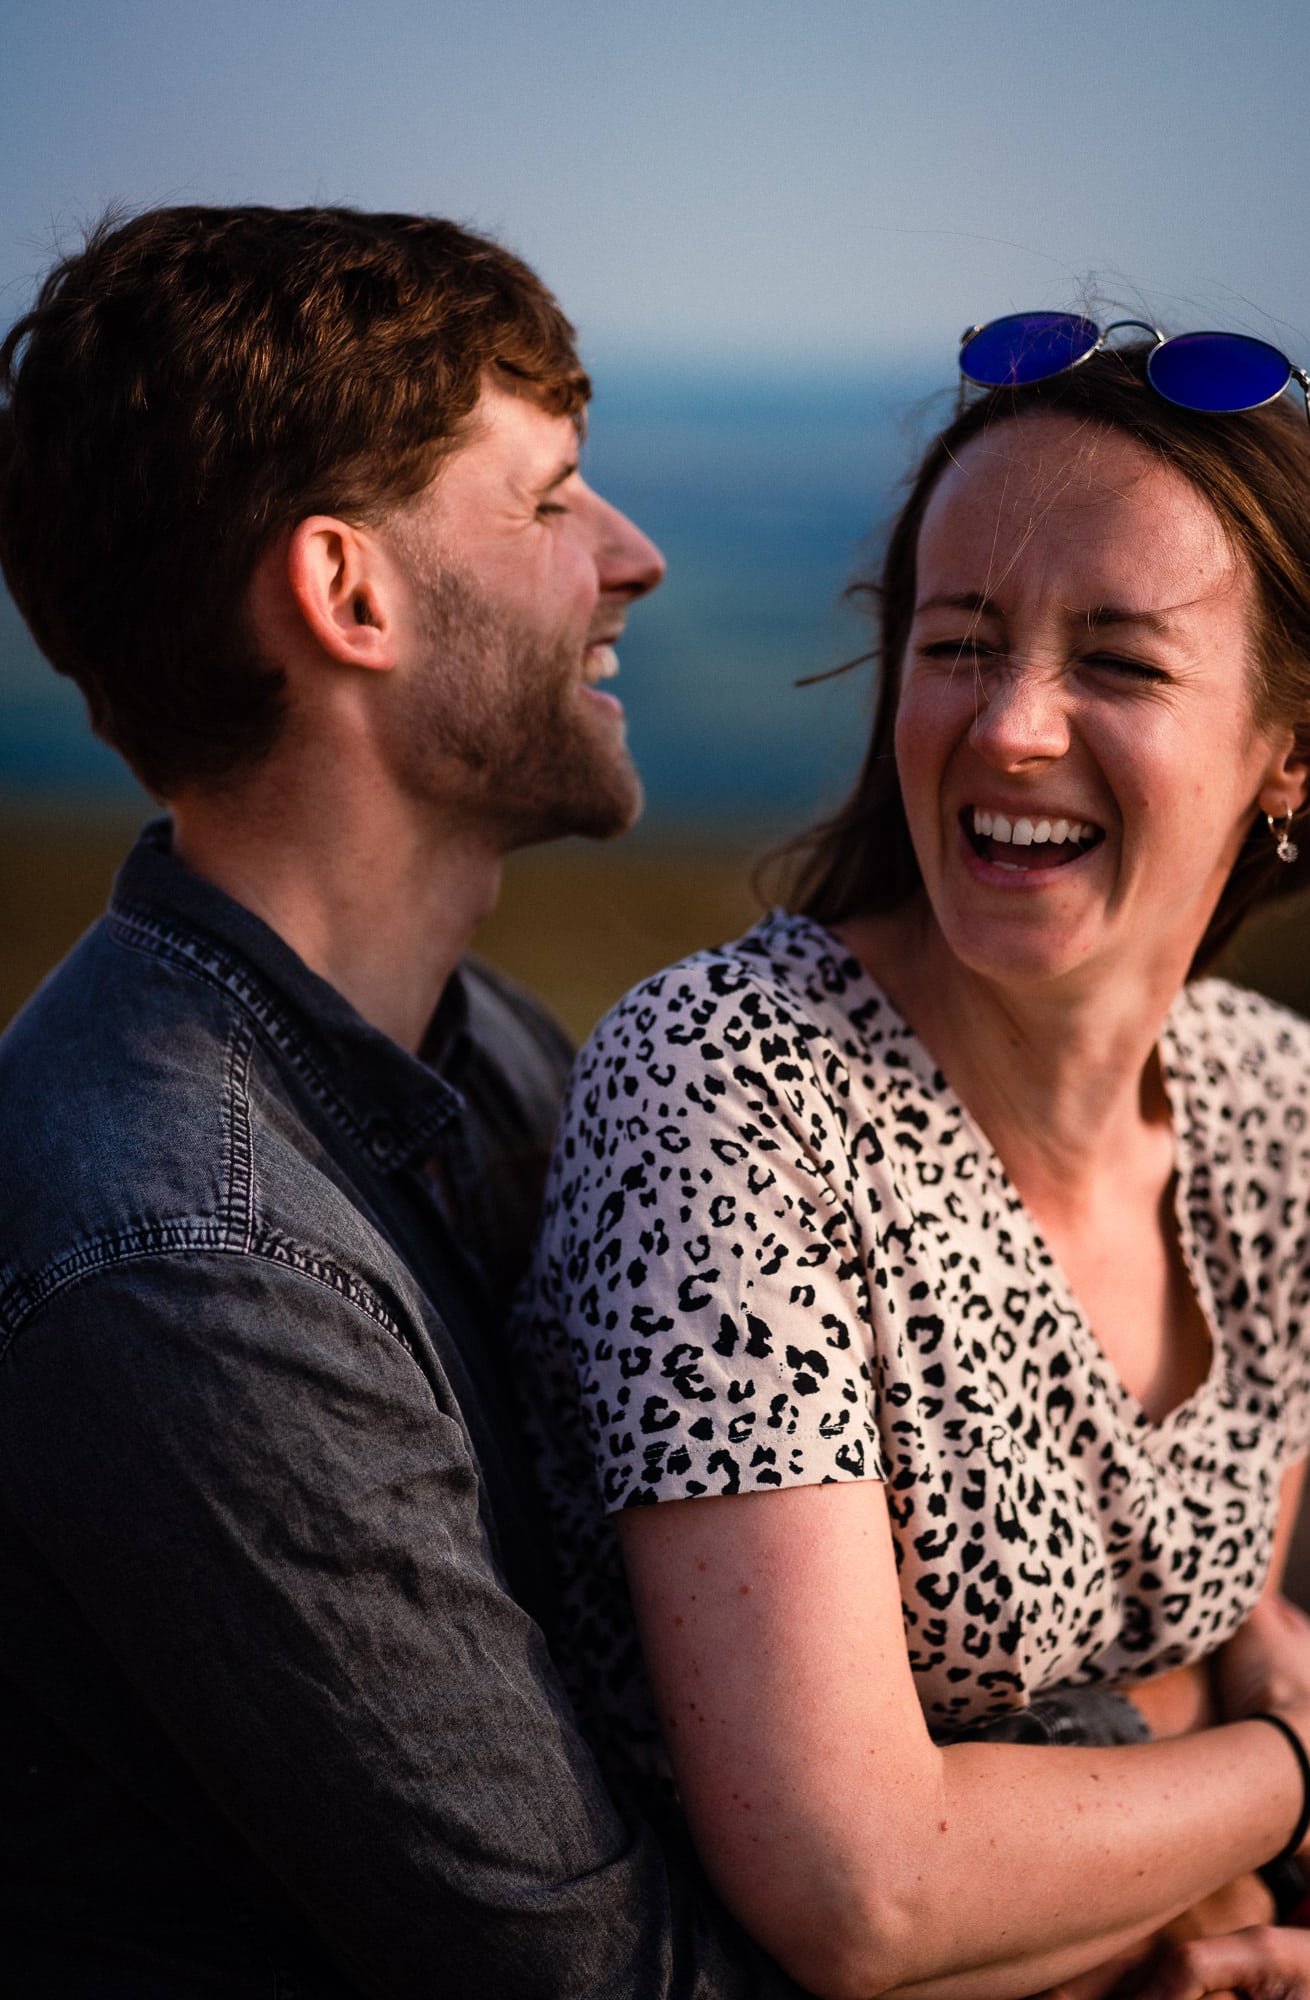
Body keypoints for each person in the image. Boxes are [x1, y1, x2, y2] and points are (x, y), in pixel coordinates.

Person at [0, 201, 836, 1999]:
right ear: (345, 593)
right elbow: (589, 1980)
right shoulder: (179, 1259)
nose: (634, 554)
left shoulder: (494, 1051)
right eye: (544, 502)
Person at [522, 317, 1310, 2000]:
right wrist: (1273, 1777)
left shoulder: (1275, 1111)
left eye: (1117, 660)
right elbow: (857, 1894)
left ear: (1289, 753)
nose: (1010, 726)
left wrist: (1223, 1894)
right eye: (957, 644)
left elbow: (1225, 1646)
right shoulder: (733, 1095)